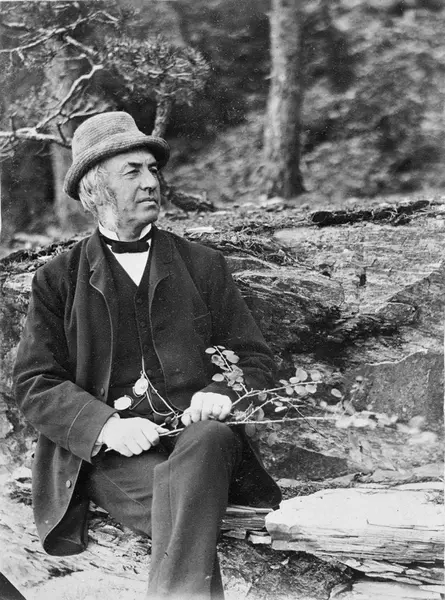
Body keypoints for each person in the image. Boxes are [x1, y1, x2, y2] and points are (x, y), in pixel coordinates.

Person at [14, 111, 281, 600]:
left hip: (200, 444)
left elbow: (252, 357)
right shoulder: (57, 279)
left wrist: (220, 391)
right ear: (96, 190)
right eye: (132, 171)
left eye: (153, 170)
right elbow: (36, 382)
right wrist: (105, 426)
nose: (151, 182)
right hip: (113, 460)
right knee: (186, 506)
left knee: (210, 437)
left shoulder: (203, 265)